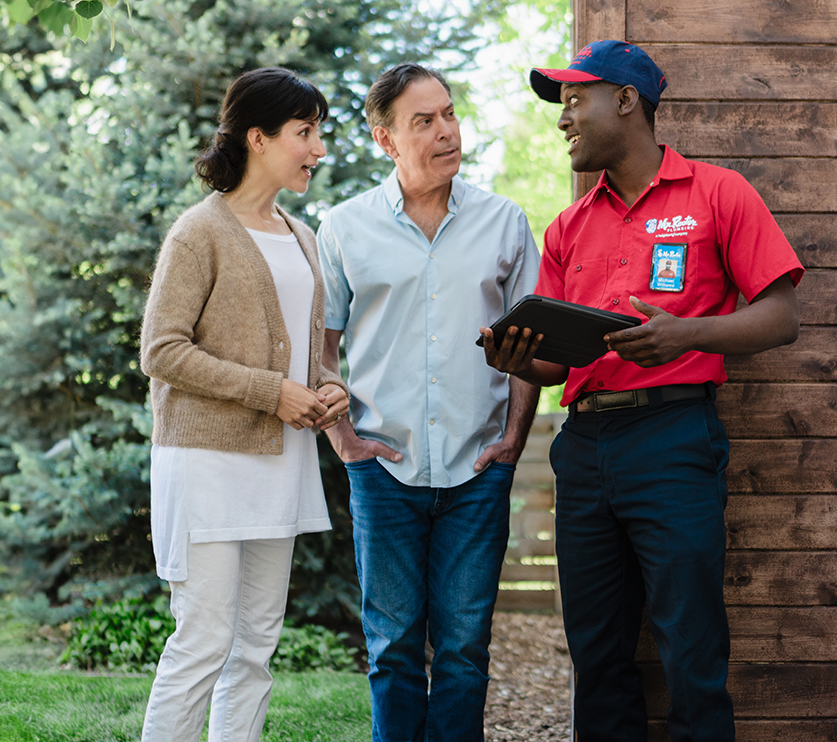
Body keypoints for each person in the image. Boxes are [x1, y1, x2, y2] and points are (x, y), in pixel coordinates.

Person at [482, 40, 803, 742]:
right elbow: (554, 368)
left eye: (575, 101)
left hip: (674, 440)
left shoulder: (719, 194)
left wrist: (686, 336)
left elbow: (781, 315)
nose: (563, 119)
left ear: (625, 101)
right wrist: (516, 357)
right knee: (596, 654)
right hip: (586, 448)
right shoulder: (567, 227)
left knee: (690, 647)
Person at [315, 62, 541, 742]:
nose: (448, 131)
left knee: (467, 654)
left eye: (449, 113)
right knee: (392, 652)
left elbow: (531, 343)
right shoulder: (344, 228)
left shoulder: (504, 223)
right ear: (385, 140)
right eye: (425, 121)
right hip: (384, 472)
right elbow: (321, 352)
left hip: (478, 471)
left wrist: (513, 442)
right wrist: (346, 443)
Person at [138, 67, 351, 742]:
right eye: (305, 133)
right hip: (205, 463)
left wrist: (328, 387)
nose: (317, 150)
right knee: (202, 641)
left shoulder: (302, 236)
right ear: (258, 138)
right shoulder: (198, 232)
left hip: (277, 463)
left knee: (255, 647)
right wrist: (272, 392)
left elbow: (313, 354)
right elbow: (162, 350)